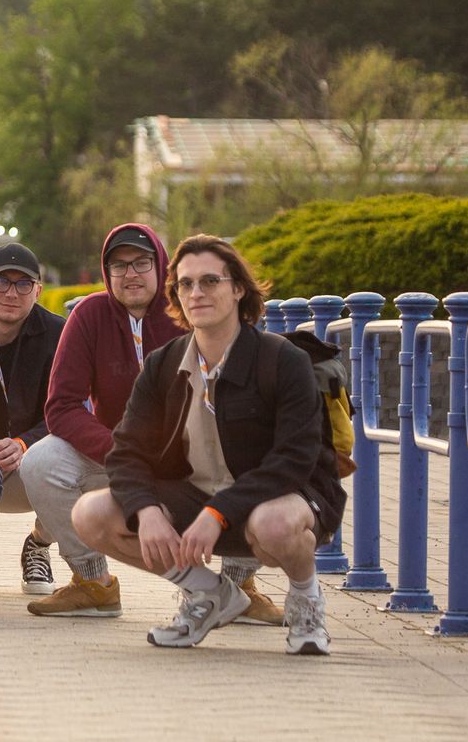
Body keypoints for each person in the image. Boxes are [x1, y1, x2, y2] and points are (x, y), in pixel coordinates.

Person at [71, 234, 345, 655]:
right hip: (198, 499)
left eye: (210, 281)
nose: (196, 292)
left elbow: (294, 459)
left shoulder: (282, 360)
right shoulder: (164, 364)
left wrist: (219, 512)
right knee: (91, 514)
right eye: (186, 284)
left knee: (273, 525)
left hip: (277, 498)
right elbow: (126, 452)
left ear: (238, 289)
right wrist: (146, 510)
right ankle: (209, 594)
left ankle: (306, 599)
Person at [22, 224, 282, 623]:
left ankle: (238, 587)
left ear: (161, 266)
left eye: (141, 262)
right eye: (119, 265)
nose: (130, 274)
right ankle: (93, 584)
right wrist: (121, 453)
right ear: (107, 272)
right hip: (116, 453)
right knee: (41, 462)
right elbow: (62, 406)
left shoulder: (192, 309)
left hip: (195, 457)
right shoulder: (90, 315)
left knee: (259, 454)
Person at [0, 242, 64, 595]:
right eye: (2, 281)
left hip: (30, 466)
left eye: (23, 283)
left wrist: (24, 444)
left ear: (38, 290)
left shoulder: (61, 335)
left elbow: (69, 411)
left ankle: (39, 543)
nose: (12, 292)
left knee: (89, 461)